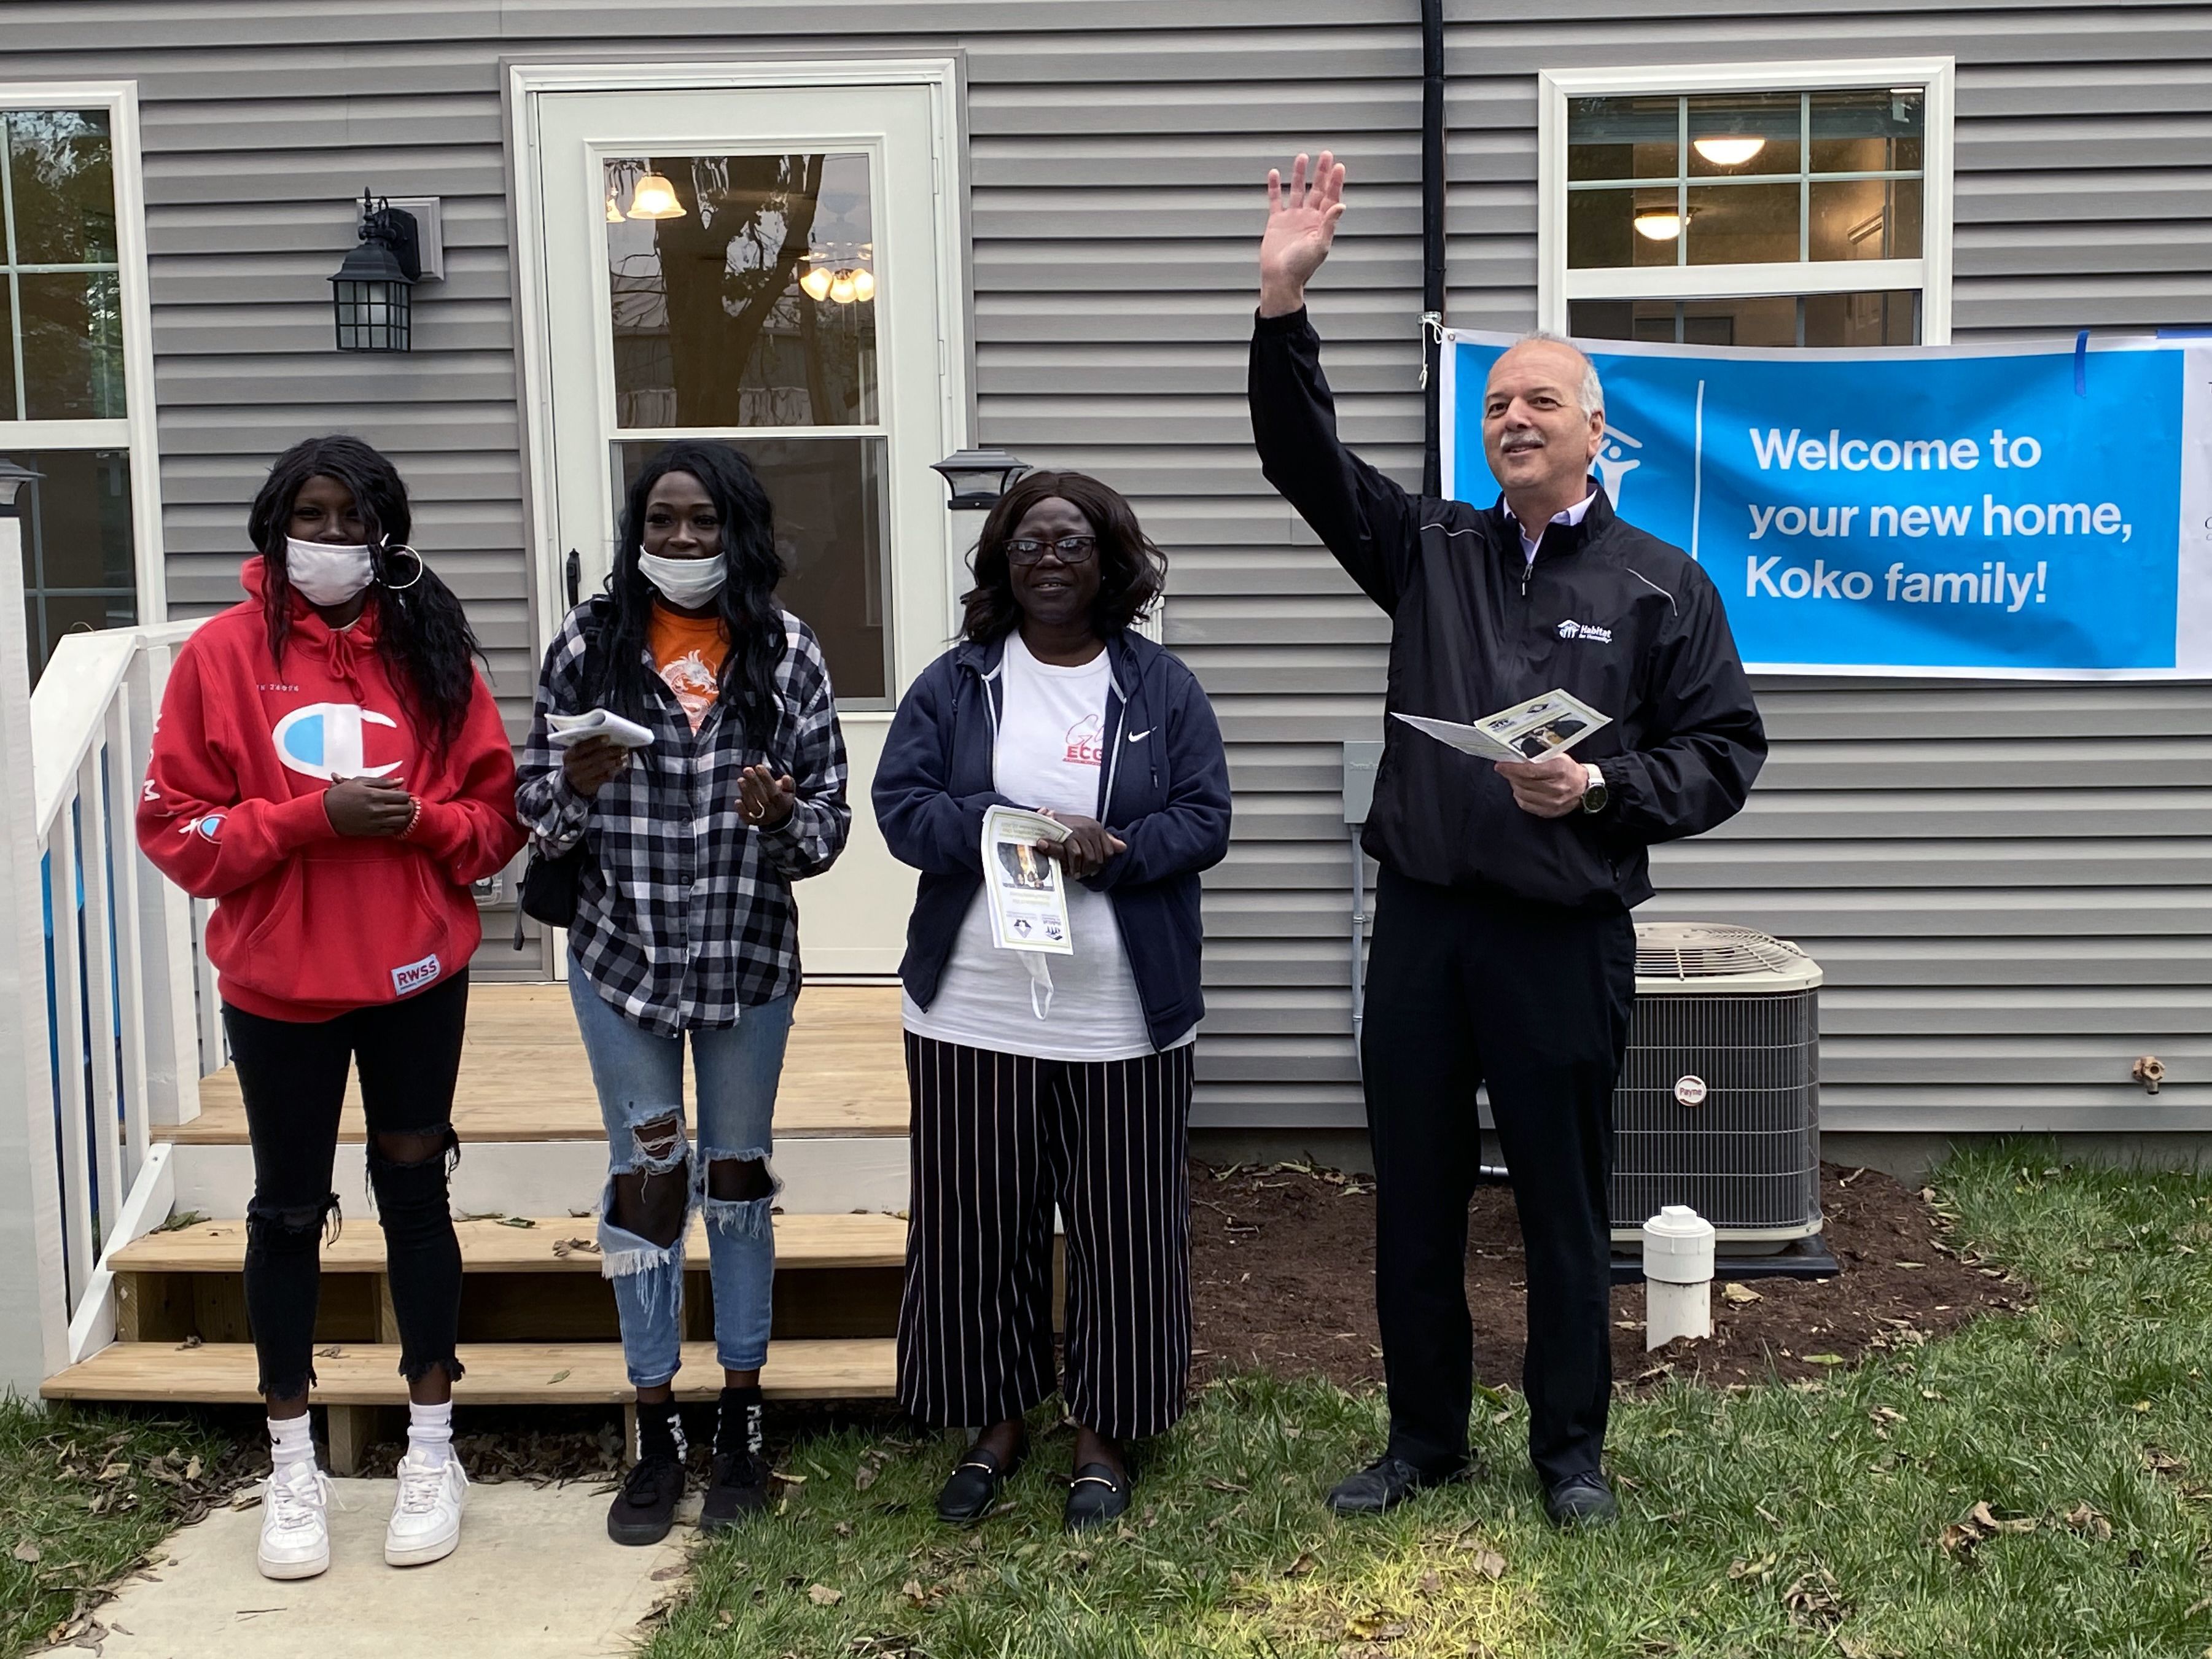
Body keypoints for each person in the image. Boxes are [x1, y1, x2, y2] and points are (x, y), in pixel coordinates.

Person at [1249, 153, 1767, 1527]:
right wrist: (1281, 306)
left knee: (1557, 1203)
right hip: (1422, 928)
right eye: (1494, 404)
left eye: (1539, 399)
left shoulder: (1663, 584)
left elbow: (1724, 755)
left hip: (1561, 936)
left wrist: (1599, 794)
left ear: (1598, 430)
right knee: (1412, 1195)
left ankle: (1568, 1455)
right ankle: (1422, 1438)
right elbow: (1303, 464)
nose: (1511, 418)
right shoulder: (1428, 549)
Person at [137, 435, 525, 1578]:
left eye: (358, 520)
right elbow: (178, 829)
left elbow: (494, 821)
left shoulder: (430, 649)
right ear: (275, 523)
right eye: (314, 515)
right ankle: (292, 1458)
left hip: (413, 973)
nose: (335, 539)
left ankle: (432, 1442)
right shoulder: (218, 656)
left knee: (414, 1185)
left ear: (386, 534)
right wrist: (311, 820)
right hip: (280, 985)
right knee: (288, 1208)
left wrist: (421, 826)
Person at [875, 470, 1231, 1533]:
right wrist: (1006, 824)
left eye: (1072, 541)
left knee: (1124, 1229)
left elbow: (1205, 818)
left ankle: (1105, 1431)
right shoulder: (957, 682)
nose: (1049, 558)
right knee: (977, 1225)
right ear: (1001, 559)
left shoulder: (1159, 688)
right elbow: (902, 809)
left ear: (1110, 561)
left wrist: (1111, 849)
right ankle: (992, 1420)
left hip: (1120, 1012)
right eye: (1029, 541)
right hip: (972, 1007)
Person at [515, 440, 849, 1546]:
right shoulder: (588, 646)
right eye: (663, 521)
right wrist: (573, 785)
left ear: (737, 530)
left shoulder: (786, 650)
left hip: (748, 963)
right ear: (636, 530)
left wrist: (778, 817)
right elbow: (532, 812)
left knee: (738, 1178)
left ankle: (741, 1414)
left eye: (705, 522)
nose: (684, 542)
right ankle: (653, 1420)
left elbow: (828, 829)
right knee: (649, 1179)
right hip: (623, 965)